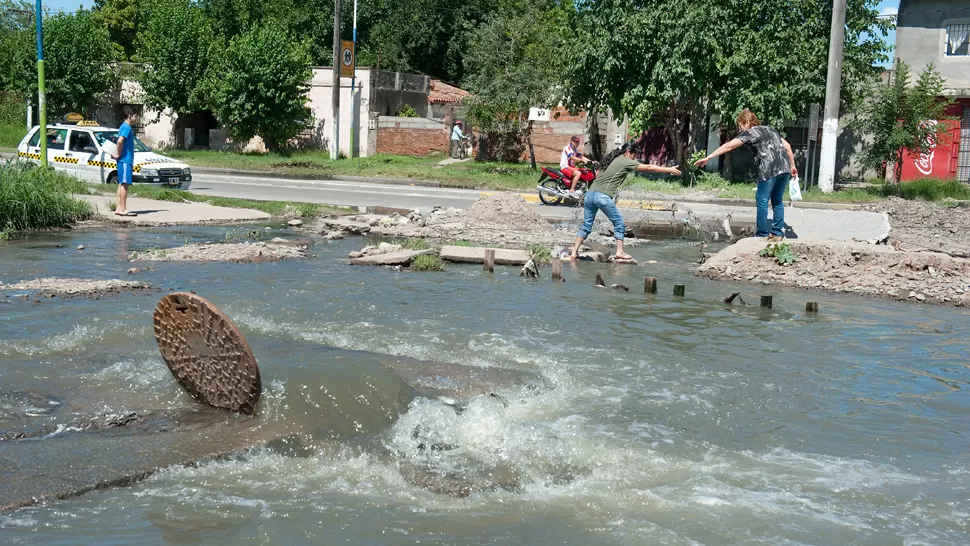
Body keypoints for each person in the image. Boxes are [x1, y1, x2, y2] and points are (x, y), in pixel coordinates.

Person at [694, 109, 797, 241]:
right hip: (784, 168)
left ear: (747, 122)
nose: (740, 129)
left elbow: (729, 146)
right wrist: (793, 166)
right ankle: (777, 233)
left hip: (769, 169)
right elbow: (787, 146)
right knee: (777, 201)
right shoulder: (771, 130)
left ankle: (761, 234)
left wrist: (709, 157)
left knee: (762, 200)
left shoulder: (750, 133)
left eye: (741, 125)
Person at [570, 143, 681, 261]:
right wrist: (669, 169)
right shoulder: (625, 161)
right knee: (619, 224)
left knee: (587, 225)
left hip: (590, 195)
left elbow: (597, 175)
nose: (635, 159)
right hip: (602, 197)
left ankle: (574, 252)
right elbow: (648, 167)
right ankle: (620, 252)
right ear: (628, 152)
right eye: (634, 155)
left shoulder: (610, 160)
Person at [111, 106, 139, 217]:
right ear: (129, 116)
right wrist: (118, 154)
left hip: (123, 160)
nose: (136, 118)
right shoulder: (127, 128)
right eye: (135, 116)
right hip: (126, 160)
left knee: (121, 184)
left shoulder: (122, 126)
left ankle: (118, 208)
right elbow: (120, 141)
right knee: (125, 184)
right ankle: (123, 208)